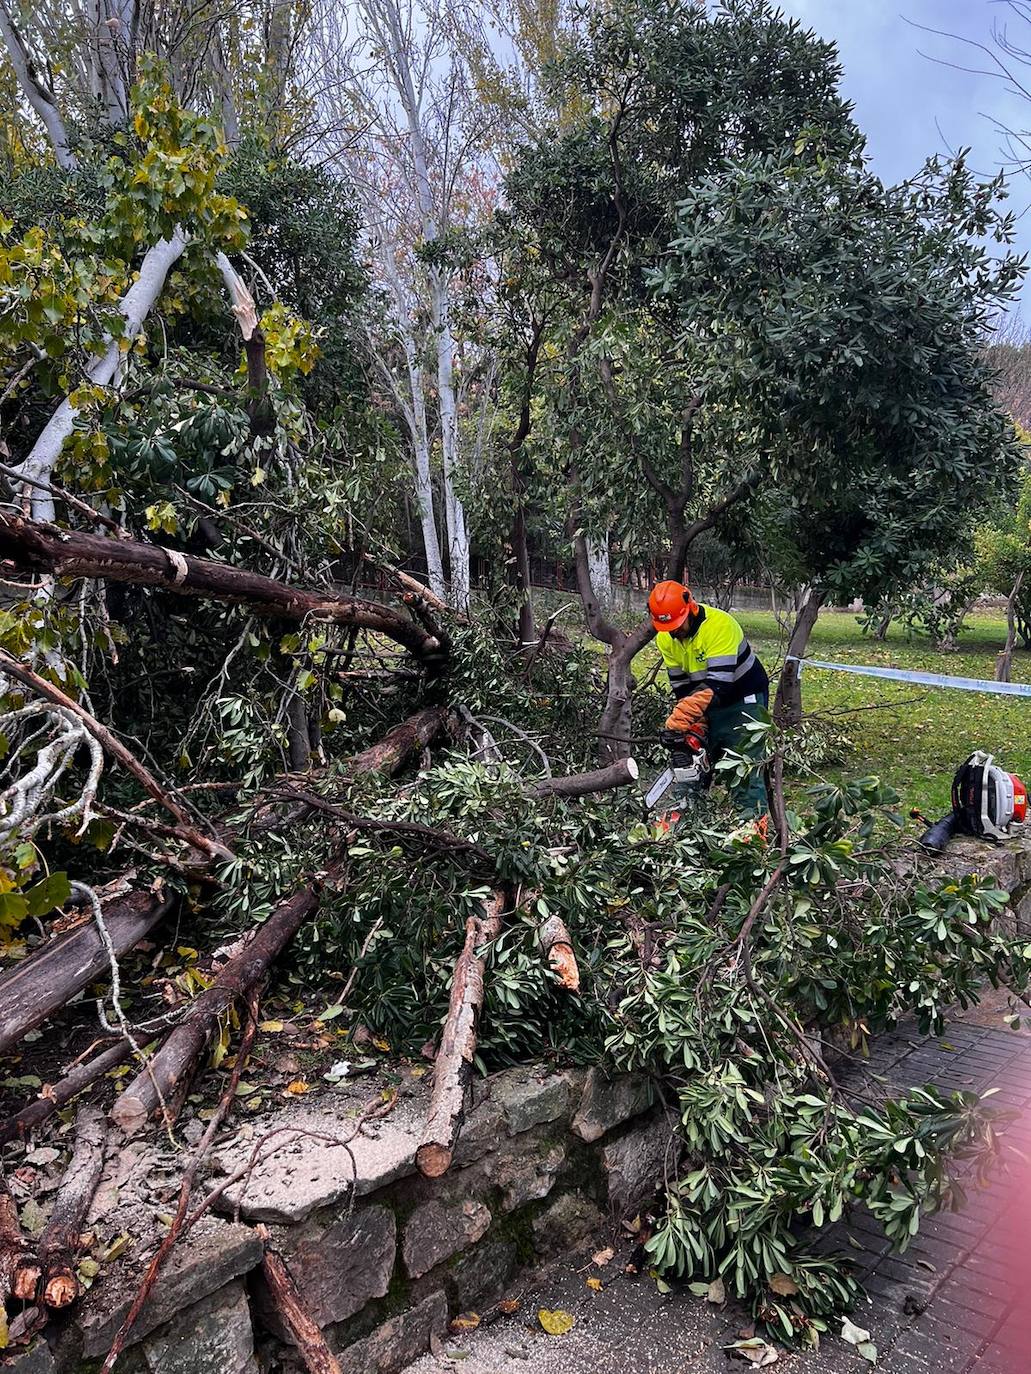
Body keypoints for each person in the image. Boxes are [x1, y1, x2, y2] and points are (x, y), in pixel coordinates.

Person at [648, 579, 769, 815]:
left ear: (690, 609)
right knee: (692, 761)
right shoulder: (665, 637)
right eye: (668, 627)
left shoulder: (720, 625)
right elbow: (682, 688)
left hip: (743, 698)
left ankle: (753, 827)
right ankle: (690, 820)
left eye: (677, 625)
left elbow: (719, 684)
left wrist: (682, 717)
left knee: (743, 767)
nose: (674, 631)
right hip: (706, 698)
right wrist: (693, 724)